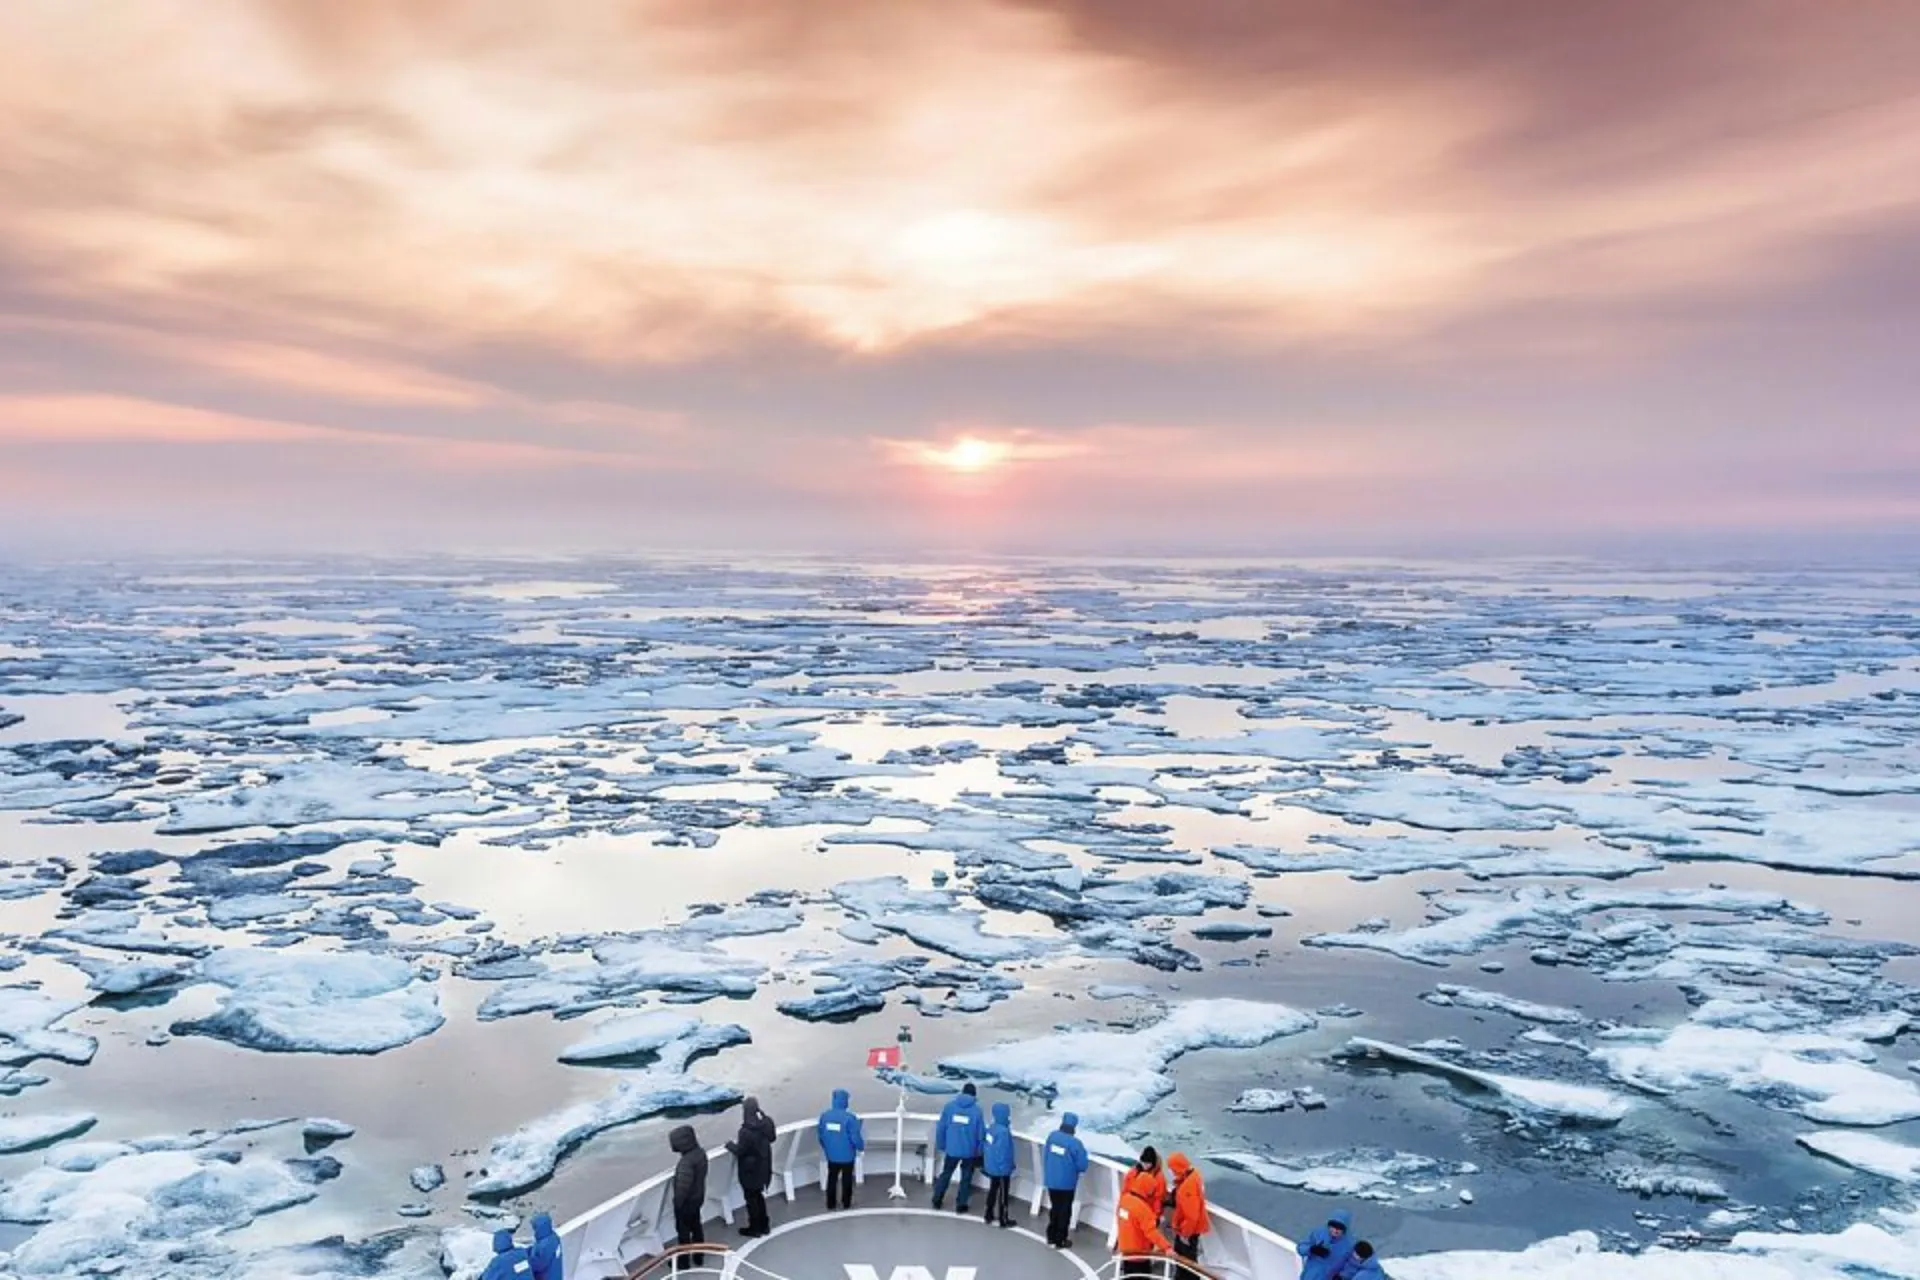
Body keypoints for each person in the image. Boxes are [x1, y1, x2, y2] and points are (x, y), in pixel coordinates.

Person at [931, 1082, 985, 1213]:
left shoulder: (949, 1107)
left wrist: (941, 1145)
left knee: (946, 1174)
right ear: (974, 1095)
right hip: (969, 1152)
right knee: (966, 1178)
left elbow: (941, 1128)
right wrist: (979, 1150)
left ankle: (937, 1199)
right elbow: (980, 1133)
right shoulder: (977, 1111)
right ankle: (961, 1205)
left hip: (952, 1149)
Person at [727, 1096, 776, 1237]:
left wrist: (730, 1145)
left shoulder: (745, 1131)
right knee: (759, 1197)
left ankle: (755, 1228)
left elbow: (740, 1151)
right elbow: (772, 1137)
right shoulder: (765, 1124)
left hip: (750, 1172)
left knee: (751, 1200)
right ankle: (765, 1225)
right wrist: (763, 1114)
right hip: (764, 1168)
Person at [1041, 1111, 1089, 1248]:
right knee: (1064, 1211)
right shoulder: (1075, 1144)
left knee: (1054, 1208)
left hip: (1051, 1180)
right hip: (1067, 1184)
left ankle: (1051, 1236)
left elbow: (1046, 1155)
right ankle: (1060, 1239)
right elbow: (1082, 1165)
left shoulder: (1052, 1137)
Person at [817, 1087, 865, 1210]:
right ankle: (846, 1203)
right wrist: (861, 1147)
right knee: (847, 1179)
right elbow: (855, 1137)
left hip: (832, 1155)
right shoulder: (850, 1118)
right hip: (847, 1155)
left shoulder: (825, 1116)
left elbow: (821, 1136)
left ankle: (830, 1203)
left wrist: (827, 1149)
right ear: (845, 1101)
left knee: (832, 1178)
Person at [1114, 1177, 1172, 1277]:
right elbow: (1151, 1232)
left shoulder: (1124, 1200)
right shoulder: (1142, 1209)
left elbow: (1121, 1221)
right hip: (1139, 1254)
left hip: (1126, 1251)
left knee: (1128, 1276)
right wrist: (1167, 1247)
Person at [669, 1124, 708, 1272]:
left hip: (686, 1203)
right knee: (697, 1227)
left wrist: (677, 1204)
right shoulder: (700, 1153)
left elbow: (682, 1188)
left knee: (683, 1233)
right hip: (698, 1198)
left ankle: (684, 1262)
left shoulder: (686, 1162)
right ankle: (699, 1256)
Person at [1167, 1152, 1210, 1265]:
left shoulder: (1187, 1189)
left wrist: (1184, 1235)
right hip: (1189, 1229)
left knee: (1186, 1262)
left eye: (1171, 1169)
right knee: (1186, 1259)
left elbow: (1191, 1217)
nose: (1170, 1172)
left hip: (1187, 1231)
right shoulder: (1194, 1174)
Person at [980, 1101, 1017, 1228]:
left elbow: (987, 1148)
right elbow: (1003, 1153)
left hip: (991, 1166)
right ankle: (1003, 1219)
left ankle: (988, 1214)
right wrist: (1007, 1168)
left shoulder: (991, 1128)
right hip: (1001, 1169)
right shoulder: (1004, 1132)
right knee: (1003, 1194)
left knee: (992, 1190)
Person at [1298, 1210, 1357, 1280]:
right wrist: (1311, 1249)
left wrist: (1342, 1276)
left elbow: (1353, 1265)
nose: (1335, 1231)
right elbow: (1300, 1248)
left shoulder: (1350, 1244)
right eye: (1333, 1226)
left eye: (1339, 1228)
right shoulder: (1318, 1233)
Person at [1122, 1146, 1166, 1222]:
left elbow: (1158, 1200)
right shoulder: (1133, 1173)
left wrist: (1156, 1216)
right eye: (1143, 1162)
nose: (1145, 1165)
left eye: (1148, 1163)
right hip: (1133, 1209)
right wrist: (1123, 1208)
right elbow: (1125, 1191)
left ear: (1153, 1163)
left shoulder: (1159, 1178)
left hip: (1148, 1212)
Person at [528, 1213, 561, 1280]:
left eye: (535, 1227)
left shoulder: (546, 1244)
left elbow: (539, 1264)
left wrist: (524, 1261)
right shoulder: (553, 1237)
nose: (534, 1229)